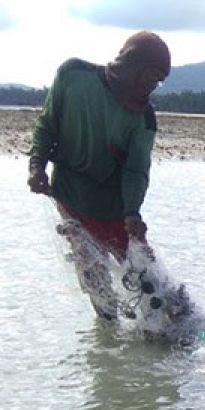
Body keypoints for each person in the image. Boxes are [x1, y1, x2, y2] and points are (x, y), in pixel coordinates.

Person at [27, 31, 171, 319]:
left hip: (114, 209)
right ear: (131, 64)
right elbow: (47, 124)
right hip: (70, 198)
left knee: (148, 283)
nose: (153, 87)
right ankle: (108, 340)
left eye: (159, 81)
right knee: (95, 279)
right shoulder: (72, 76)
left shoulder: (142, 118)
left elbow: (136, 170)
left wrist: (132, 212)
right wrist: (36, 166)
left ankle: (168, 330)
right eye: (150, 77)